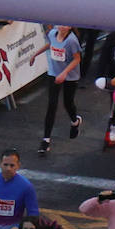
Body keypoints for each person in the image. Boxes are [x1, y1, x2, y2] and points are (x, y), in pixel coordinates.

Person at [39, 24, 83, 154]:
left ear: (70, 27)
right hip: (54, 73)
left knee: (67, 103)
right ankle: (46, 140)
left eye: (65, 26)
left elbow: (77, 59)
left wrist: (64, 73)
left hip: (70, 75)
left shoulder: (72, 40)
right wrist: (35, 54)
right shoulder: (53, 33)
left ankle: (75, 121)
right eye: (60, 25)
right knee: (51, 105)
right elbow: (50, 45)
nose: (62, 28)